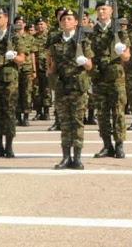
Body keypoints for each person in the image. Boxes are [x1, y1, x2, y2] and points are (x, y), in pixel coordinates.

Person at [48, 10, 93, 170]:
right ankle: (66, 157)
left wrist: (84, 61)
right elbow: (52, 64)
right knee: (65, 123)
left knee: (77, 122)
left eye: (69, 19)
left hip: (77, 87)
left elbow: (89, 65)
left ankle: (78, 158)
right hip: (62, 86)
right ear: (60, 23)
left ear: (76, 22)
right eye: (63, 19)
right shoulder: (55, 41)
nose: (66, 21)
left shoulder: (83, 41)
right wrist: (51, 80)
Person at [89, 1, 130, 158]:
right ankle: (107, 145)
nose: (101, 12)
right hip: (99, 77)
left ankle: (119, 145)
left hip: (115, 77)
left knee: (118, 112)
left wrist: (120, 51)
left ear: (111, 11)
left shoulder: (120, 31)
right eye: (99, 9)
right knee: (102, 113)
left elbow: (127, 56)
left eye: (104, 9)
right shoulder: (92, 32)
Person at [0, 8, 25, 158]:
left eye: (0, 17)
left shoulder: (14, 37)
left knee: (9, 112)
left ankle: (9, 147)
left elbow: (22, 59)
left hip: (10, 81)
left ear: (6, 19)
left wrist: (14, 56)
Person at [14, 16, 35, 127]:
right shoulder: (12, 37)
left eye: (21, 22)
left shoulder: (29, 38)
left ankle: (26, 116)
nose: (19, 24)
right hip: (15, 68)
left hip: (27, 68)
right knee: (16, 92)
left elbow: (32, 54)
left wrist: (34, 69)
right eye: (17, 22)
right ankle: (17, 116)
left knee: (27, 92)